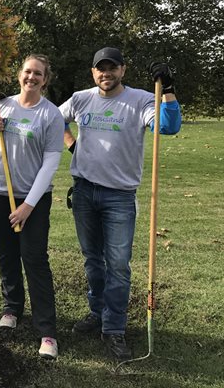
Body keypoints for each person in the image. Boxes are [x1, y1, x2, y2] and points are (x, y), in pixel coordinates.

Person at [60, 47, 182, 360]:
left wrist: (166, 88)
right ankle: (96, 311)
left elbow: (168, 126)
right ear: (93, 72)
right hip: (85, 192)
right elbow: (53, 120)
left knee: (117, 265)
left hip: (119, 197)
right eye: (100, 68)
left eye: (112, 68)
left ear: (122, 70)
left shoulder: (140, 99)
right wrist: (72, 144)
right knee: (92, 259)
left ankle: (113, 328)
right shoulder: (81, 98)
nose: (106, 74)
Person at [0, 54, 64, 360]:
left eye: (38, 74)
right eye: (27, 72)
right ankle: (11, 308)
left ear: (45, 79)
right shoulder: (3, 105)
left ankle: (47, 332)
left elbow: (51, 162)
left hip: (33, 196)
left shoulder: (51, 115)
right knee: (6, 252)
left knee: (34, 258)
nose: (32, 77)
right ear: (20, 75)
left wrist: (28, 205)